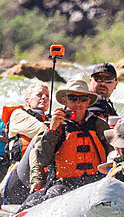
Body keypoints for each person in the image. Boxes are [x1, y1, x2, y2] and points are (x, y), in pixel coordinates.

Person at [21, 80, 111, 208]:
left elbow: (112, 152)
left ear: (88, 102)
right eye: (72, 98)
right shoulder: (54, 126)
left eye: (83, 99)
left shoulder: (99, 125)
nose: (78, 103)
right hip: (64, 185)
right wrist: (52, 130)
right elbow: (43, 160)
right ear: (65, 101)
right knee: (51, 196)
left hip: (96, 182)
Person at [0, 82, 51, 205]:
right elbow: (44, 132)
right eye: (39, 94)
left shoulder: (50, 119)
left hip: (45, 173)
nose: (44, 98)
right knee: (42, 138)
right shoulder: (18, 115)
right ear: (27, 99)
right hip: (18, 179)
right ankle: (37, 184)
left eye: (47, 96)